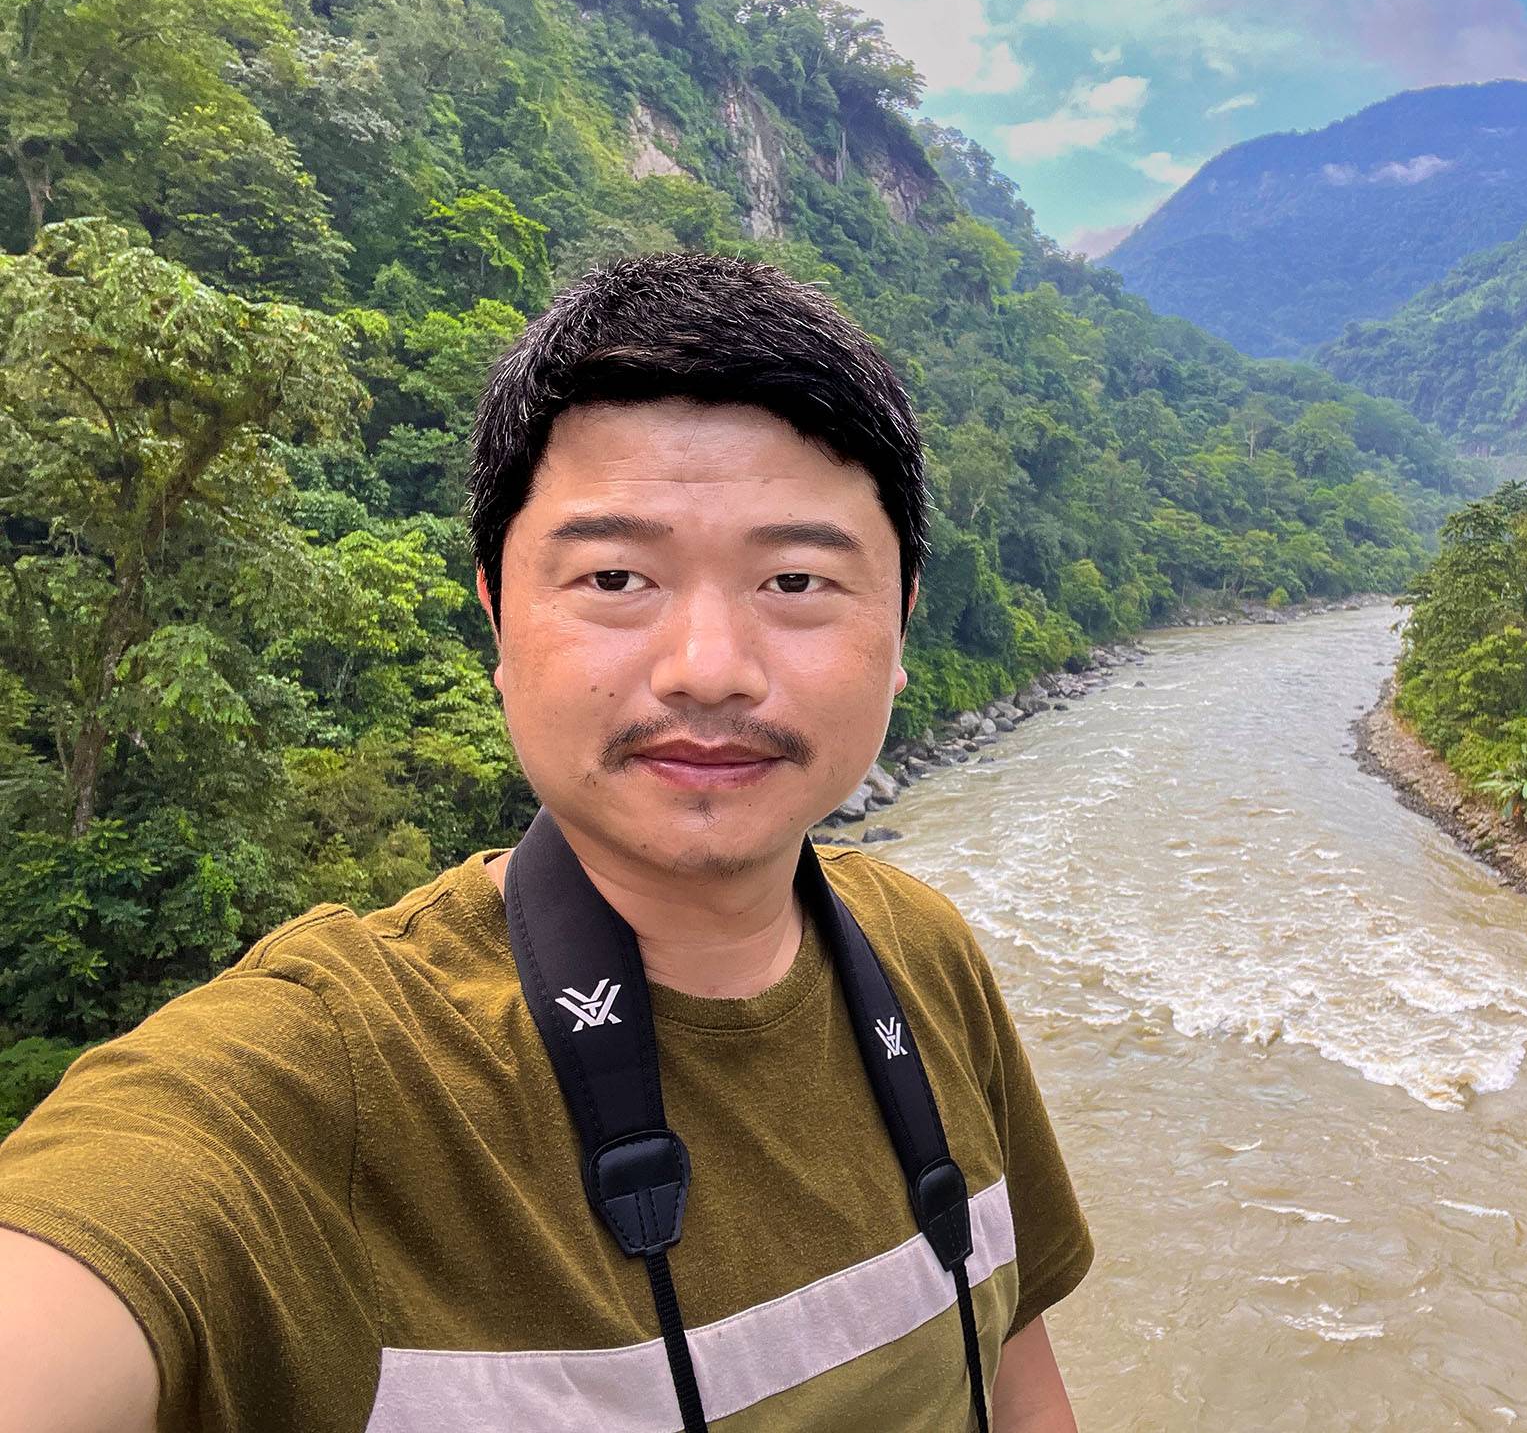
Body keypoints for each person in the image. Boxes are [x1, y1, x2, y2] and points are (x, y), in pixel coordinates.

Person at [0, 253, 1095, 1432]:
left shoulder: (922, 956)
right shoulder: (339, 1079)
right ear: (498, 615)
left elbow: (1020, 1386)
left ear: (900, 624)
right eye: (616, 577)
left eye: (795, 578)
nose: (709, 668)